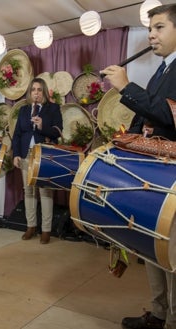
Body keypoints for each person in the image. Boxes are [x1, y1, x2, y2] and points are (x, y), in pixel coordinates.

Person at [100, 4, 176, 329]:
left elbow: (170, 114)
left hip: (170, 177)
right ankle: (159, 315)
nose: (151, 35)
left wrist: (126, 87)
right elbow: (149, 116)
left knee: (172, 256)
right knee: (153, 248)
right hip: (154, 176)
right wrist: (120, 139)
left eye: (159, 27)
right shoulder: (162, 70)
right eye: (149, 29)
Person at [12, 77, 63, 244]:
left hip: (44, 156)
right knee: (28, 191)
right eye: (33, 90)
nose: (36, 93)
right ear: (30, 92)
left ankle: (46, 230)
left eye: (39, 90)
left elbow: (58, 132)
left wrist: (43, 127)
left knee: (45, 192)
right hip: (26, 154)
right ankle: (31, 226)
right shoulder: (24, 110)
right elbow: (18, 134)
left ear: (44, 92)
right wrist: (16, 154)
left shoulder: (53, 108)